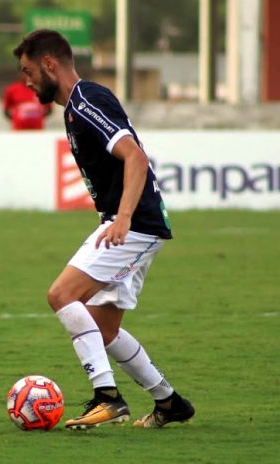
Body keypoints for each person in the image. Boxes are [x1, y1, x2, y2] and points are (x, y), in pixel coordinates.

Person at [13, 29, 195, 429]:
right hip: (131, 223)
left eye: (28, 71)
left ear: (49, 64)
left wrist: (125, 217)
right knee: (104, 328)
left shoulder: (86, 100)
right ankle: (170, 403)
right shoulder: (74, 108)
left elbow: (134, 156)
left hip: (134, 225)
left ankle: (107, 397)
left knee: (61, 294)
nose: (25, 82)